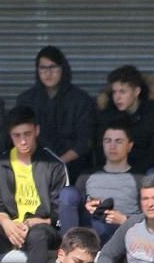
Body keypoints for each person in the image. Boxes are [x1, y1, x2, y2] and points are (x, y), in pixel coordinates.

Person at [0, 105, 68, 263]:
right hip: (10, 228)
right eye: (17, 136)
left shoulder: (53, 164)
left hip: (42, 229)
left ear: (36, 131)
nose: (23, 141)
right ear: (10, 136)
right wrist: (7, 223)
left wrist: (36, 222)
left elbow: (62, 212)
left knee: (38, 235)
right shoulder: (1, 164)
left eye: (27, 134)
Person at [15, 46, 95, 181]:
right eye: (43, 68)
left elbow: (85, 141)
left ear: (62, 68)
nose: (48, 73)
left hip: (72, 165)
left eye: (53, 67)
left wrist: (59, 162)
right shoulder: (26, 100)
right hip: (34, 165)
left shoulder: (81, 100)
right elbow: (18, 136)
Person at [58, 120, 142, 244]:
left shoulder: (140, 178)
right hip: (89, 226)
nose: (112, 146)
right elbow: (70, 208)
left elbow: (151, 216)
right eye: (107, 141)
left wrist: (125, 219)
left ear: (129, 146)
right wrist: (84, 207)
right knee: (68, 193)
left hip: (119, 230)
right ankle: (68, 250)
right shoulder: (87, 176)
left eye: (118, 141)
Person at [95, 65, 154, 174]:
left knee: (153, 175)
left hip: (148, 169)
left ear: (137, 91)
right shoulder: (108, 115)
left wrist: (132, 171)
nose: (117, 98)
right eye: (114, 92)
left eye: (123, 92)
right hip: (116, 168)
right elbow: (101, 150)